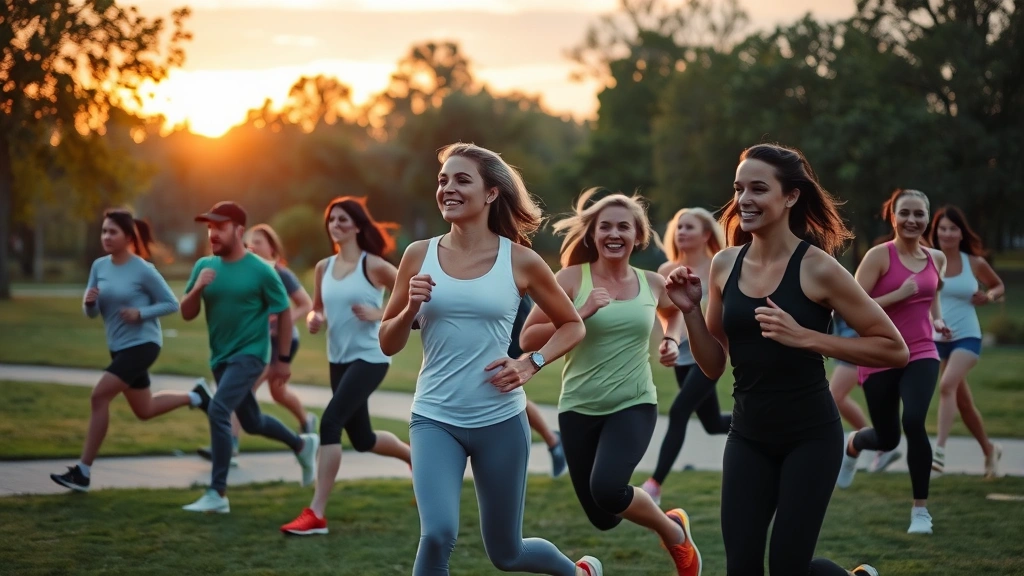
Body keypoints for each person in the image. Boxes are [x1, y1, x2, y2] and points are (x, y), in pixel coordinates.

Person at [668, 143, 905, 574]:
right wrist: (690, 312)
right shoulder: (724, 264)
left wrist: (807, 338)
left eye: (758, 189)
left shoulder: (819, 268)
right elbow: (714, 364)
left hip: (810, 437)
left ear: (791, 196)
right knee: (741, 566)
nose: (744, 200)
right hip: (748, 435)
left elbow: (894, 347)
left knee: (788, 568)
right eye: (739, 189)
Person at [379, 143, 603, 576]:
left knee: (507, 554)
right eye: (443, 180)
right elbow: (388, 343)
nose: (448, 188)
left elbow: (572, 325)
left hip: (500, 421)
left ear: (491, 193)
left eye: (462, 180)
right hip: (434, 418)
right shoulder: (417, 255)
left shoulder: (520, 260)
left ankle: (577, 574)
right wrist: (409, 310)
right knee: (437, 534)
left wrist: (531, 362)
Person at [520, 189, 702, 576]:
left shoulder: (653, 282)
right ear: (592, 234)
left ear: (638, 236)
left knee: (607, 488)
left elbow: (674, 312)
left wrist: (671, 340)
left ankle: (673, 533)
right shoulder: (570, 279)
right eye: (605, 227)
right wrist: (580, 312)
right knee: (603, 516)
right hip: (577, 407)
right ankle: (666, 525)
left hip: (634, 403)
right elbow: (528, 337)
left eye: (624, 227)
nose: (614, 234)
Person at [50, 210, 209, 492]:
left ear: (128, 237)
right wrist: (89, 303)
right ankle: (197, 396)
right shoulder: (99, 266)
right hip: (118, 346)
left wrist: (141, 313)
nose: (106, 237)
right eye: (104, 231)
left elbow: (171, 304)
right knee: (144, 410)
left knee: (99, 396)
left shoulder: (142, 269)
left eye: (113, 232)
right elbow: (91, 313)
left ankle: (83, 472)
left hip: (143, 345)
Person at [280, 196, 413, 535]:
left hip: (371, 356)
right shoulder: (323, 267)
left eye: (342, 219)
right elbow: (318, 308)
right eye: (331, 219)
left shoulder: (375, 266)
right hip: (338, 357)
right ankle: (414, 458)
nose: (335, 225)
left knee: (330, 422)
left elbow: (412, 304)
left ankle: (316, 513)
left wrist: (379, 313)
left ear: (357, 226)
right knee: (362, 438)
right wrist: (314, 318)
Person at [180, 201, 319, 514]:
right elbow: (187, 313)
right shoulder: (204, 266)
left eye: (220, 227)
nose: (213, 233)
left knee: (219, 409)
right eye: (210, 227)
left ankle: (217, 493)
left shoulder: (262, 270)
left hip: (251, 355)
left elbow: (285, 312)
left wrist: (282, 360)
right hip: (221, 357)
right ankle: (302, 444)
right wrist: (197, 289)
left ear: (238, 230)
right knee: (252, 422)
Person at [838, 188, 949, 535]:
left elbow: (932, 295)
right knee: (887, 439)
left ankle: (920, 512)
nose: (912, 220)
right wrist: (898, 295)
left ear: (927, 218)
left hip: (922, 351)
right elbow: (851, 308)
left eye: (919, 213)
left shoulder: (936, 258)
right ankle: (853, 444)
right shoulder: (878, 256)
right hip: (879, 353)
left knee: (914, 421)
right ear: (893, 216)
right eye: (905, 213)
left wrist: (937, 320)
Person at [196, 224, 316, 465]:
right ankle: (307, 422)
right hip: (257, 342)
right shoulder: (249, 271)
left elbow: (305, 304)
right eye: (249, 242)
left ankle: (230, 444)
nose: (252, 246)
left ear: (272, 248)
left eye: (258, 242)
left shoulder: (281, 273)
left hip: (282, 342)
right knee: (277, 393)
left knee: (242, 390)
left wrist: (281, 321)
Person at [642, 207, 731, 505]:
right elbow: (667, 315)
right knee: (712, 423)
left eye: (689, 227)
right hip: (682, 357)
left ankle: (654, 485)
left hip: (711, 356)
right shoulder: (666, 270)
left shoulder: (720, 267)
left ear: (706, 234)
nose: (681, 232)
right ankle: (769, 421)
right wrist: (668, 342)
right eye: (679, 227)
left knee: (679, 411)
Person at [929, 205, 1004, 478]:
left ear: (962, 233)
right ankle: (989, 450)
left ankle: (939, 450)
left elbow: (997, 285)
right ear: (936, 232)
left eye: (953, 228)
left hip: (968, 337)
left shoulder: (974, 263)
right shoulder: (929, 260)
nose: (947, 233)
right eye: (943, 228)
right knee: (963, 403)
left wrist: (989, 297)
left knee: (946, 385)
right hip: (938, 338)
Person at [508, 294, 568, 478]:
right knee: (504, 390)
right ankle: (553, 441)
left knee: (505, 387)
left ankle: (553, 441)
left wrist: (533, 362)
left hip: (510, 311)